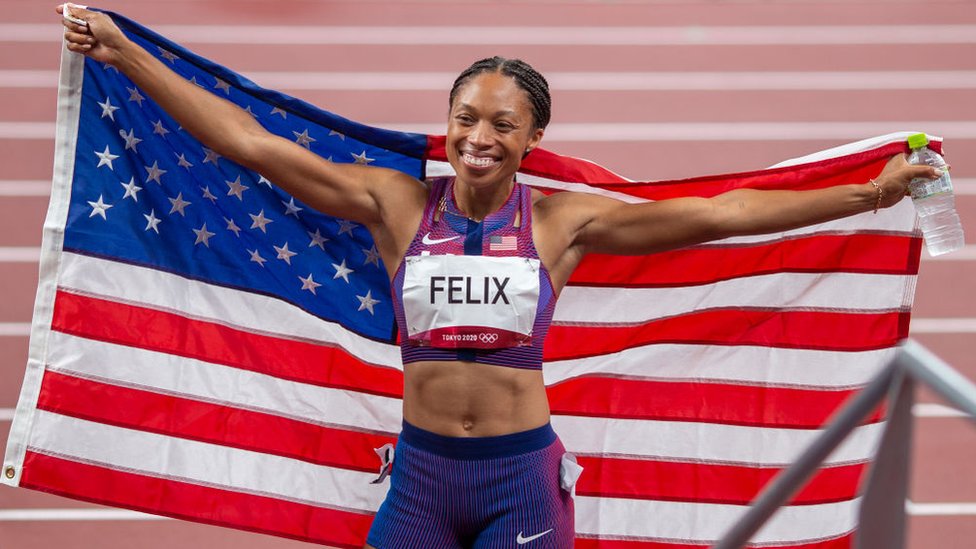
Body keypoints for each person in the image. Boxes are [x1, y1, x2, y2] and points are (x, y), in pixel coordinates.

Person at [58, 4, 942, 548]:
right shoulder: (394, 205)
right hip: (422, 479)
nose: (479, 137)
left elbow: (725, 216)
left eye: (502, 125)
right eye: (465, 118)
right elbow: (249, 144)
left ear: (530, 141)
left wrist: (867, 195)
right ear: (445, 123)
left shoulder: (561, 224)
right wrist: (126, 53)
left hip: (519, 478)